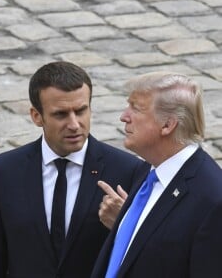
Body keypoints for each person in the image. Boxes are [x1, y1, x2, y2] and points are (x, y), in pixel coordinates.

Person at [0, 61, 143, 278]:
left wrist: (125, 225)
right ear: (36, 116)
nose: (74, 124)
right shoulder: (6, 170)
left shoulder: (127, 171)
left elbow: (145, 260)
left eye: (81, 111)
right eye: (61, 114)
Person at [91, 71, 222, 278]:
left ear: (167, 125)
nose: (124, 116)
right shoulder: (149, 171)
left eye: (136, 108)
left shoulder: (213, 199)